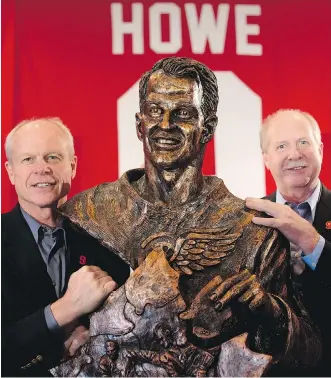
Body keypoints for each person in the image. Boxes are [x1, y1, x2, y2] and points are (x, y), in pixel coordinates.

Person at [57, 58, 321, 376]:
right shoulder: (87, 213)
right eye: (155, 110)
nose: (165, 124)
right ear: (139, 124)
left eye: (182, 113)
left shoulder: (252, 230)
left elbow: (310, 356)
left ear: (207, 128)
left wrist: (270, 312)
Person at [1, 118, 130, 377]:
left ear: (72, 166)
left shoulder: (108, 240)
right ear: (10, 171)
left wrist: (97, 334)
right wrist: (66, 309)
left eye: (53, 157)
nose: (42, 168)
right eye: (28, 159)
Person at [246, 109, 331, 376]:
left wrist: (311, 240)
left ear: (320, 149)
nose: (294, 154)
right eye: (282, 146)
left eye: (303, 142)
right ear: (266, 159)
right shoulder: (248, 221)